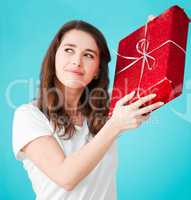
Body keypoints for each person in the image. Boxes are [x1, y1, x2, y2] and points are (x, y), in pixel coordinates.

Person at [12, 20, 164, 200]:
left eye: (89, 55)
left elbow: (149, 72)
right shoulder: (29, 115)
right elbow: (65, 177)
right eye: (69, 50)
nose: (76, 61)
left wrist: (160, 30)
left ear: (97, 71)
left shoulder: (106, 112)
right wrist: (114, 126)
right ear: (54, 57)